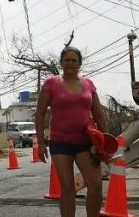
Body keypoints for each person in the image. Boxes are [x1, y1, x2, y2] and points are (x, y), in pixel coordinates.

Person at [34, 46, 108, 217]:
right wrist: (40, 143)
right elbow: (40, 113)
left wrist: (106, 141)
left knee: (96, 185)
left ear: (79, 64)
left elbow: (99, 114)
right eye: (67, 60)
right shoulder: (51, 83)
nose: (70, 63)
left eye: (74, 60)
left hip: (85, 142)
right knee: (67, 188)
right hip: (60, 143)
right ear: (61, 62)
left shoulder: (89, 84)